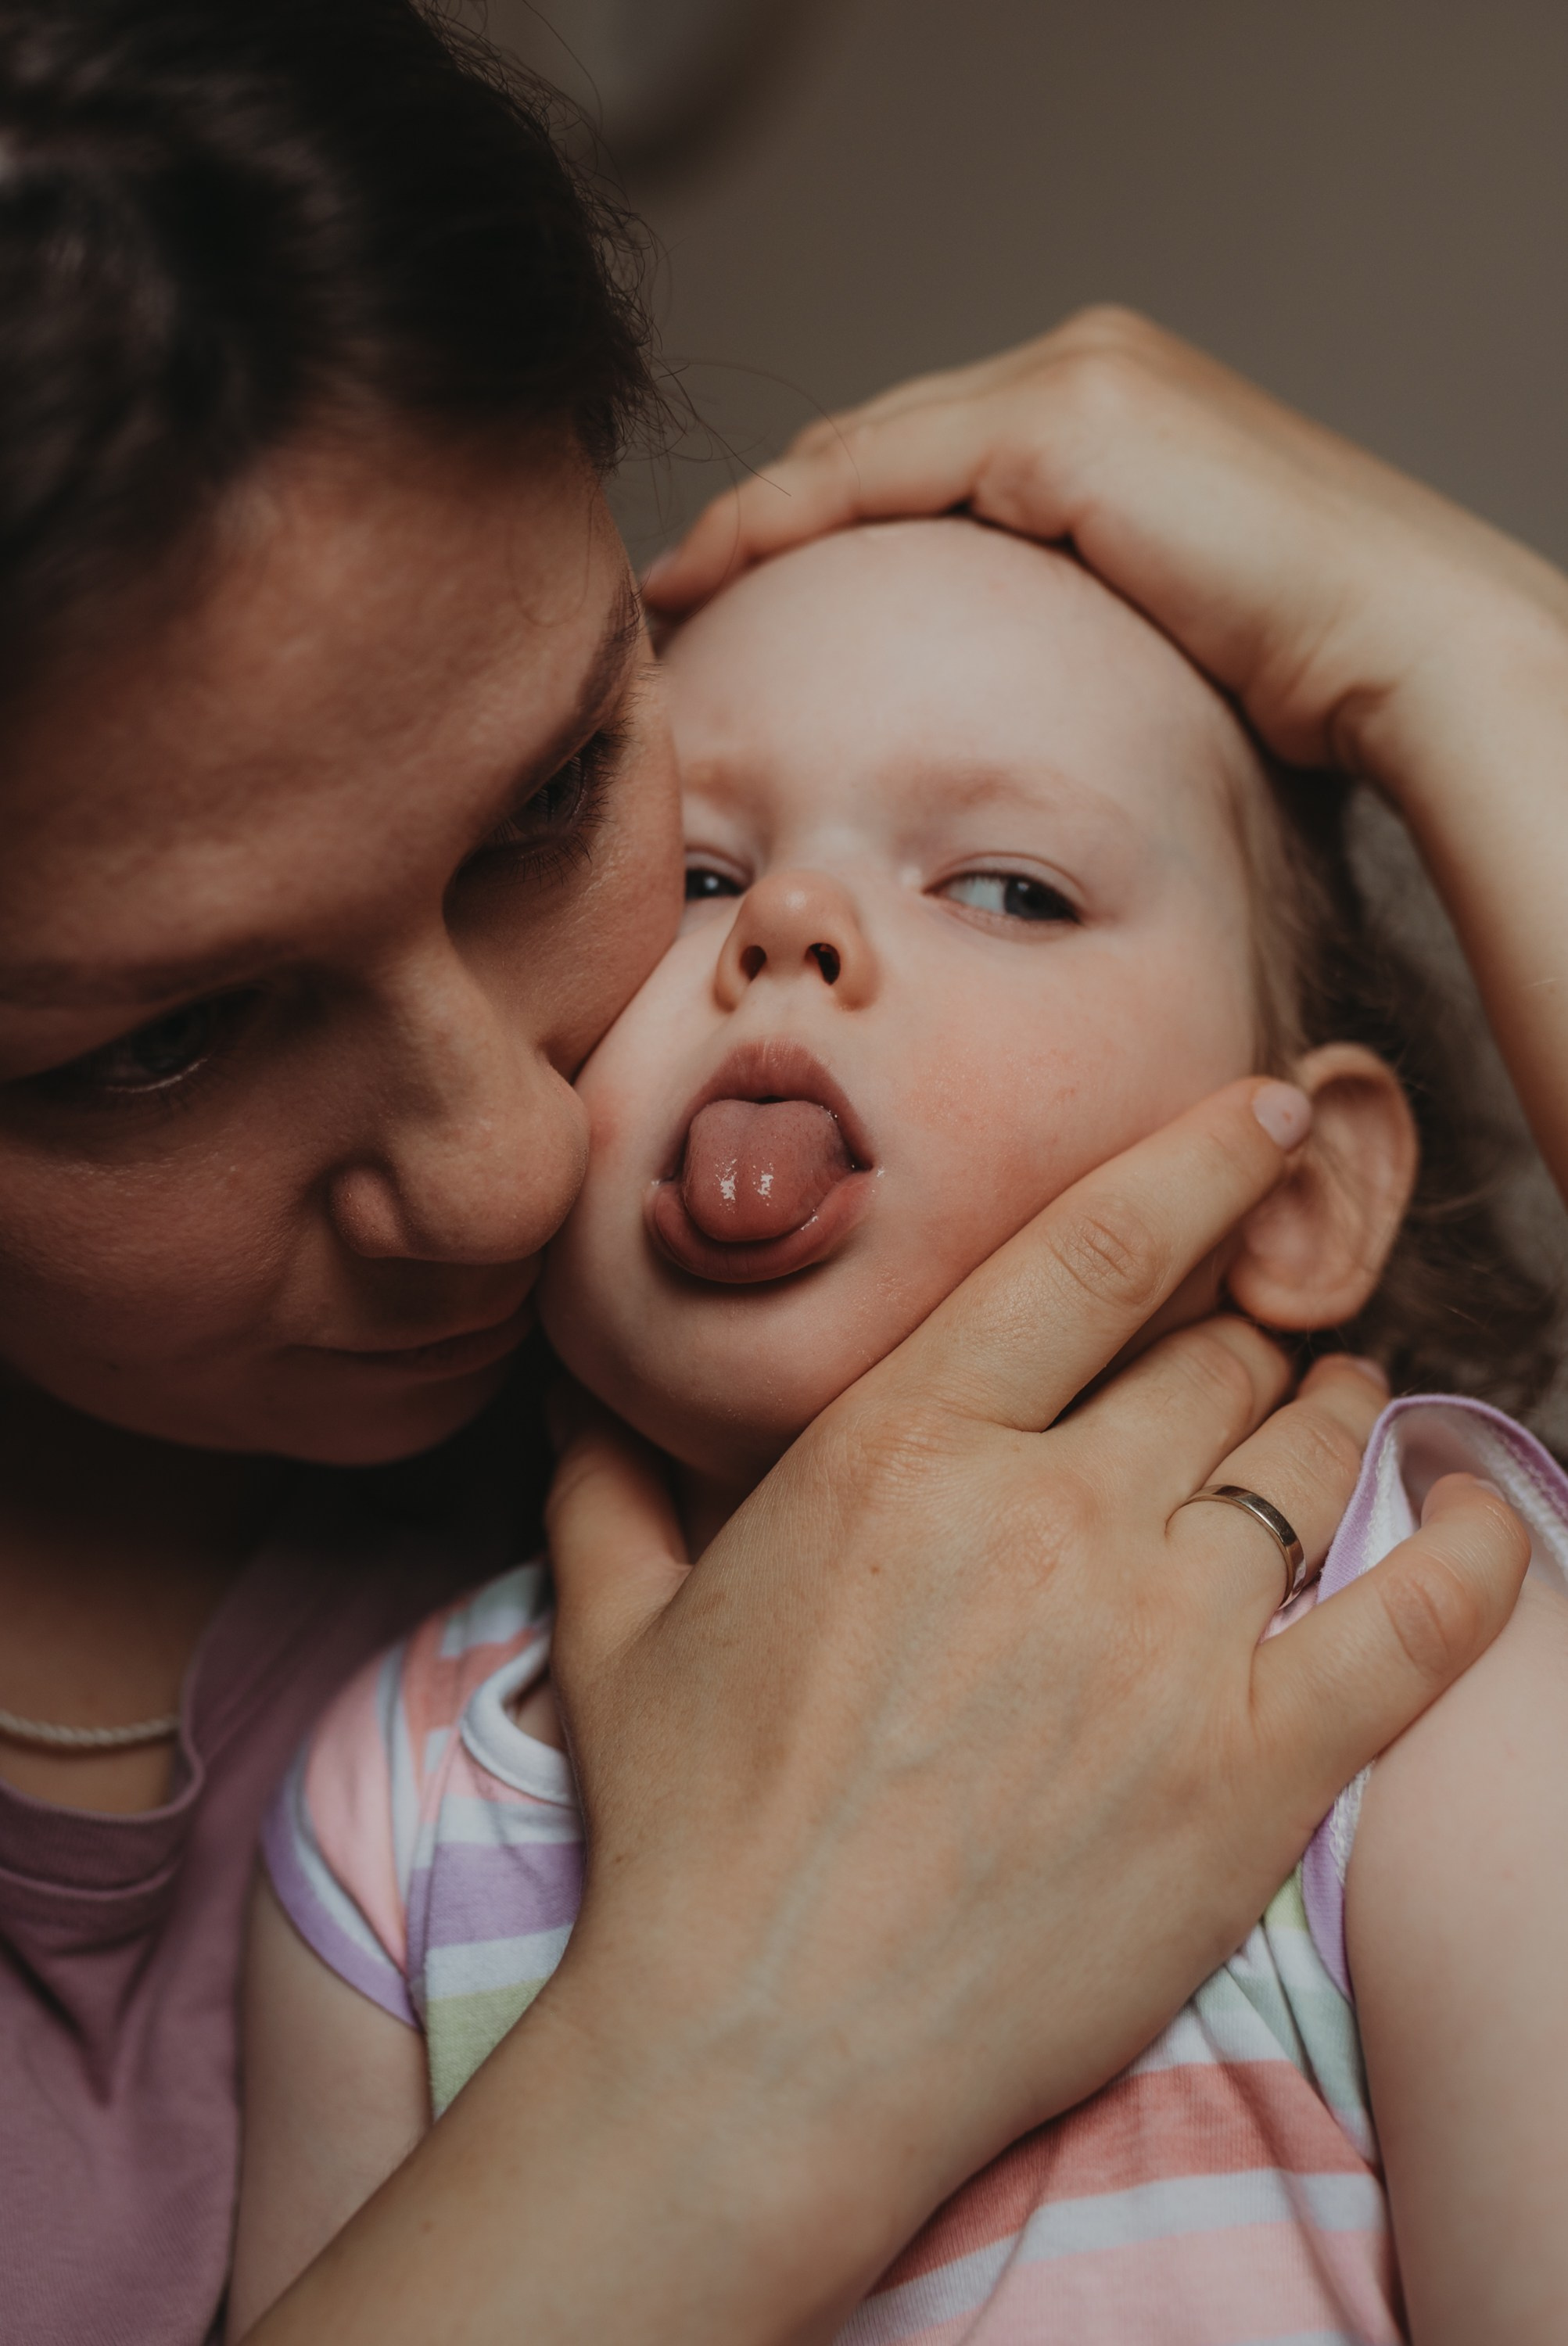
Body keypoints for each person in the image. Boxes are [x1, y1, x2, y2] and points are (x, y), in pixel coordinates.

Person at [0, 5, 1534, 2342]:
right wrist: (721, 2053)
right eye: (162, 1046)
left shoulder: (1428, 1643)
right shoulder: (397, 1801)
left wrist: (1464, 649)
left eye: (551, 806)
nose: (515, 1170)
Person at [234, 518, 1568, 2344]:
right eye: (698, 874)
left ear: (1294, 1195)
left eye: (1011, 889)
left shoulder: (1426, 1672)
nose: (791, 925)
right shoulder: (384, 1799)